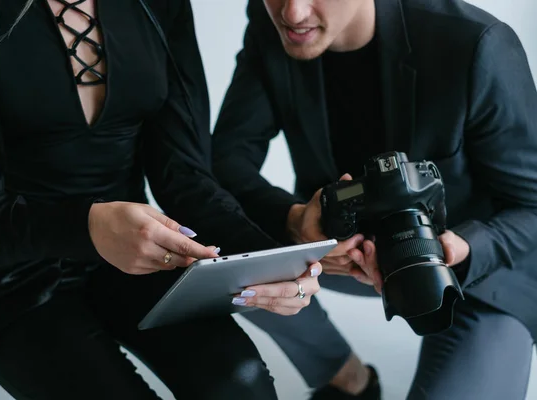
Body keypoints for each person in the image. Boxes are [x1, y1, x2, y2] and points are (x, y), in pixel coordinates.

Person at [0, 0, 324, 399]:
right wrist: (87, 227)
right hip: (8, 275)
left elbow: (185, 175)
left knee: (240, 383)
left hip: (139, 256)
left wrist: (271, 259)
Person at [211, 0, 537, 399]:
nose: (292, 13)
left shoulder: (476, 43)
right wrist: (296, 220)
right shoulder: (275, 23)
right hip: (339, 251)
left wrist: (461, 248)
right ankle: (347, 379)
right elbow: (226, 161)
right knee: (217, 244)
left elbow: (532, 204)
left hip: (481, 273)